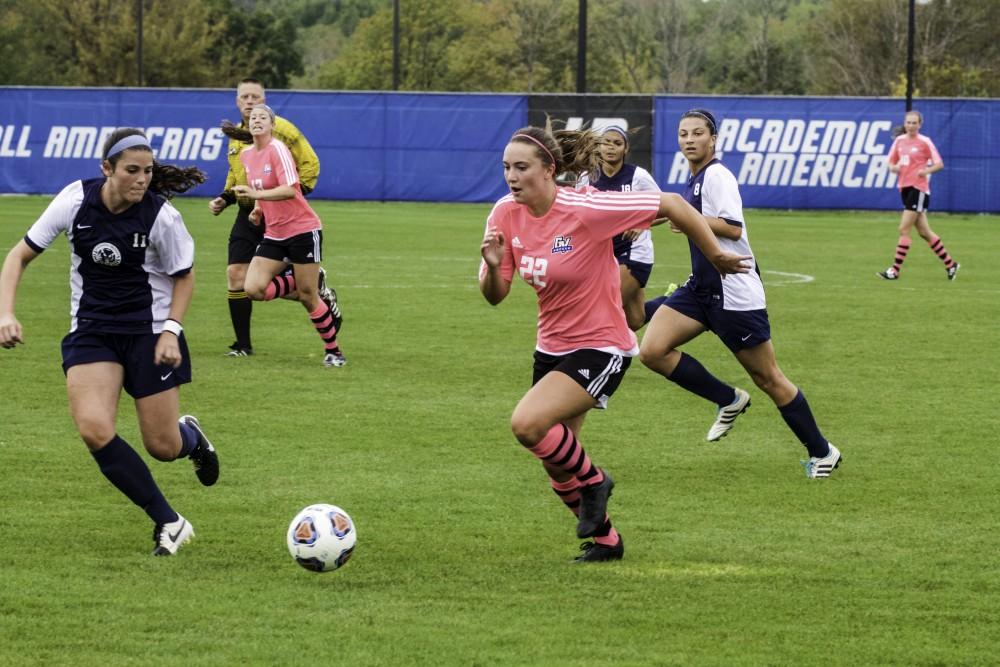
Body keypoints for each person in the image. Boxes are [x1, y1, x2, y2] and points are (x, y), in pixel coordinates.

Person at [479, 123, 750, 563]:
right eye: (506, 166)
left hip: (602, 344)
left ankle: (596, 482)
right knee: (555, 460)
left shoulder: (586, 207)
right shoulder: (504, 214)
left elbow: (675, 204)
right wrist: (493, 267)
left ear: (549, 170)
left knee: (527, 425)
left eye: (521, 167)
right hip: (551, 346)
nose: (511, 176)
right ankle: (606, 541)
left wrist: (715, 254)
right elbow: (495, 296)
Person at [0, 128, 219, 556]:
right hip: (93, 332)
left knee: (162, 446)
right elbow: (17, 256)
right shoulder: (74, 201)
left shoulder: (161, 216)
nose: (142, 179)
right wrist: (5, 313)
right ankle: (169, 522)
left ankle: (190, 438)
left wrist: (172, 330)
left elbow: (184, 276)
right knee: (95, 430)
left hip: (150, 333)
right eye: (132, 171)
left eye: (148, 171)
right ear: (107, 169)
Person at [640, 109, 841, 479]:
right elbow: (679, 213)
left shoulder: (717, 176)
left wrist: (687, 220)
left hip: (733, 292)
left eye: (697, 133)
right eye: (683, 133)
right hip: (702, 288)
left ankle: (822, 451)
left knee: (769, 379)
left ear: (712, 139)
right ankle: (727, 399)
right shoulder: (695, 178)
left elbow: (731, 229)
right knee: (652, 351)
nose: (688, 139)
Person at [208, 78, 342, 356]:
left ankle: (315, 297)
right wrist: (226, 197)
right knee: (237, 275)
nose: (249, 102)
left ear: (264, 100)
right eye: (244, 97)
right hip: (253, 212)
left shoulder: (282, 133)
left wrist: (295, 194)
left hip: (284, 215)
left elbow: (309, 164)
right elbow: (238, 176)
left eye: (255, 97)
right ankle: (243, 345)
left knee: (303, 293)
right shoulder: (239, 141)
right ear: (237, 101)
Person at [234, 104, 345, 367]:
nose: (257, 120)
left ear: (272, 126)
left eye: (263, 117)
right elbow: (260, 186)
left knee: (308, 298)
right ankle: (304, 281)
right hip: (275, 233)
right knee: (252, 289)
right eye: (253, 118)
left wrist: (256, 197)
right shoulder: (247, 155)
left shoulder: (278, 149)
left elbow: (290, 190)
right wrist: (258, 210)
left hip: (303, 230)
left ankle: (334, 352)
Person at [576, 125, 660, 331]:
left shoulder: (637, 176)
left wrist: (642, 223)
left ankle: (588, 361)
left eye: (617, 143)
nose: (611, 147)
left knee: (600, 310)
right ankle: (674, 299)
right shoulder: (586, 178)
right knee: (635, 320)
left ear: (626, 149)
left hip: (633, 253)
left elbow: (664, 209)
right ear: (598, 147)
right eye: (606, 142)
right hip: (601, 255)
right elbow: (576, 216)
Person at [878, 110, 958, 281]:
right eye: (909, 122)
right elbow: (890, 161)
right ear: (905, 123)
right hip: (904, 188)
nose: (911, 126)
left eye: (915, 123)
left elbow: (939, 164)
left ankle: (894, 270)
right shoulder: (899, 141)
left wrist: (925, 171)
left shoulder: (925, 142)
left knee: (903, 229)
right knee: (925, 233)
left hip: (919, 189)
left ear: (920, 125)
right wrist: (894, 168)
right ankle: (951, 264)